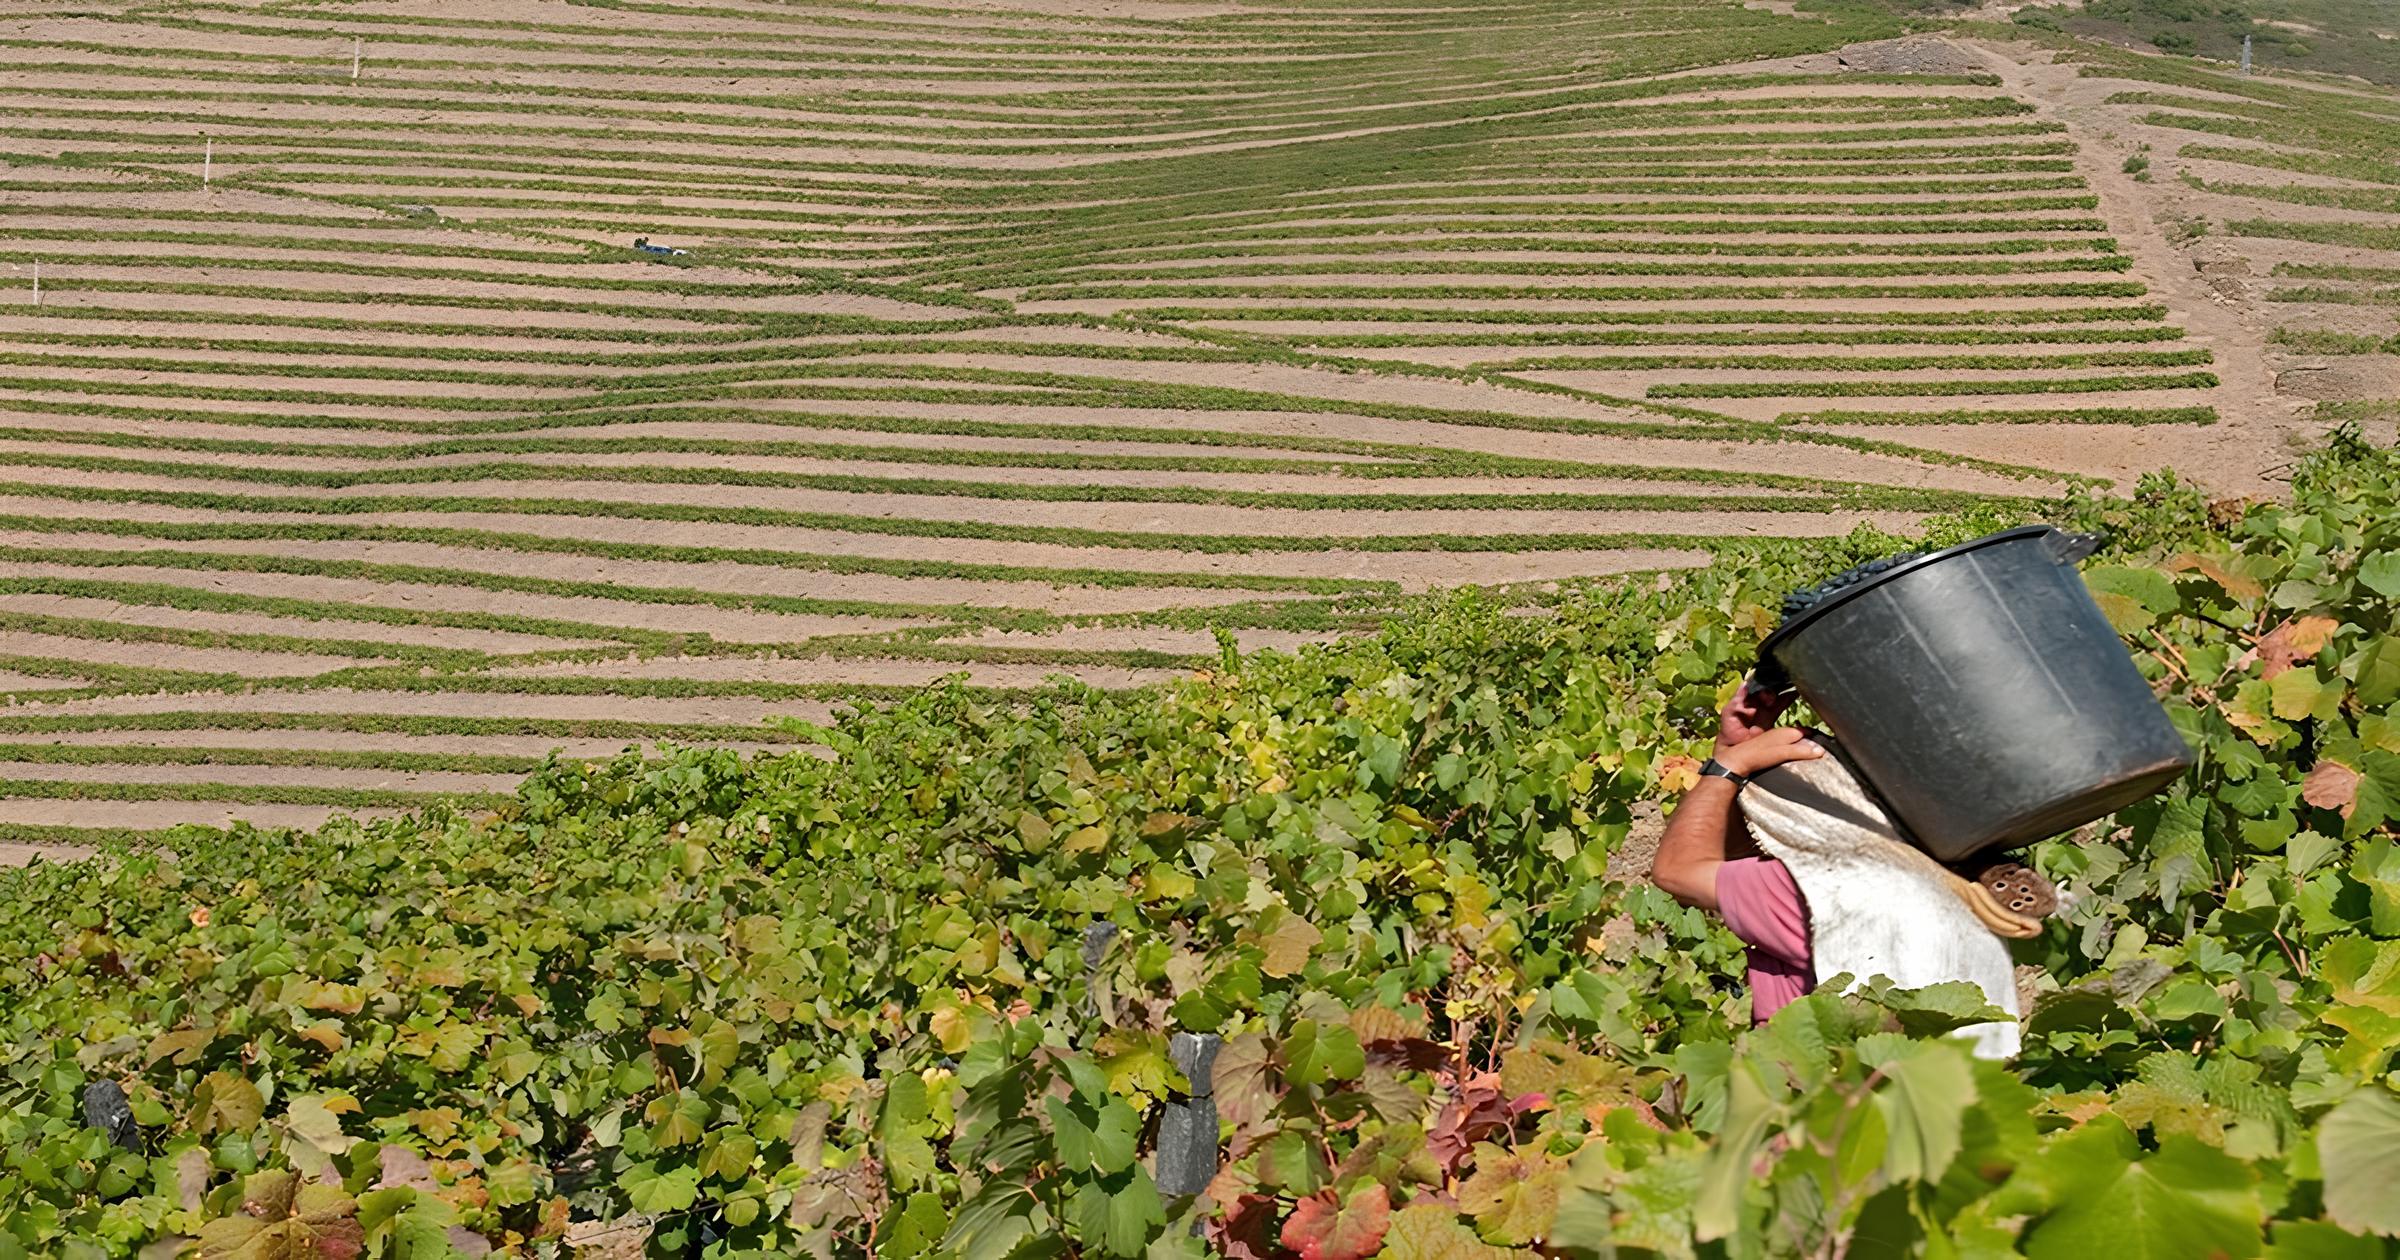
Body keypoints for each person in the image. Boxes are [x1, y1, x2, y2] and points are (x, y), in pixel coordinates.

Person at [1648, 682, 1825, 1023]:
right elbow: (1746, 864)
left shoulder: (1821, 889)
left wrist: (1727, 766)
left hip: (1799, 1072)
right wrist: (1732, 751)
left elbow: (1675, 871)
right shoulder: (1919, 859)